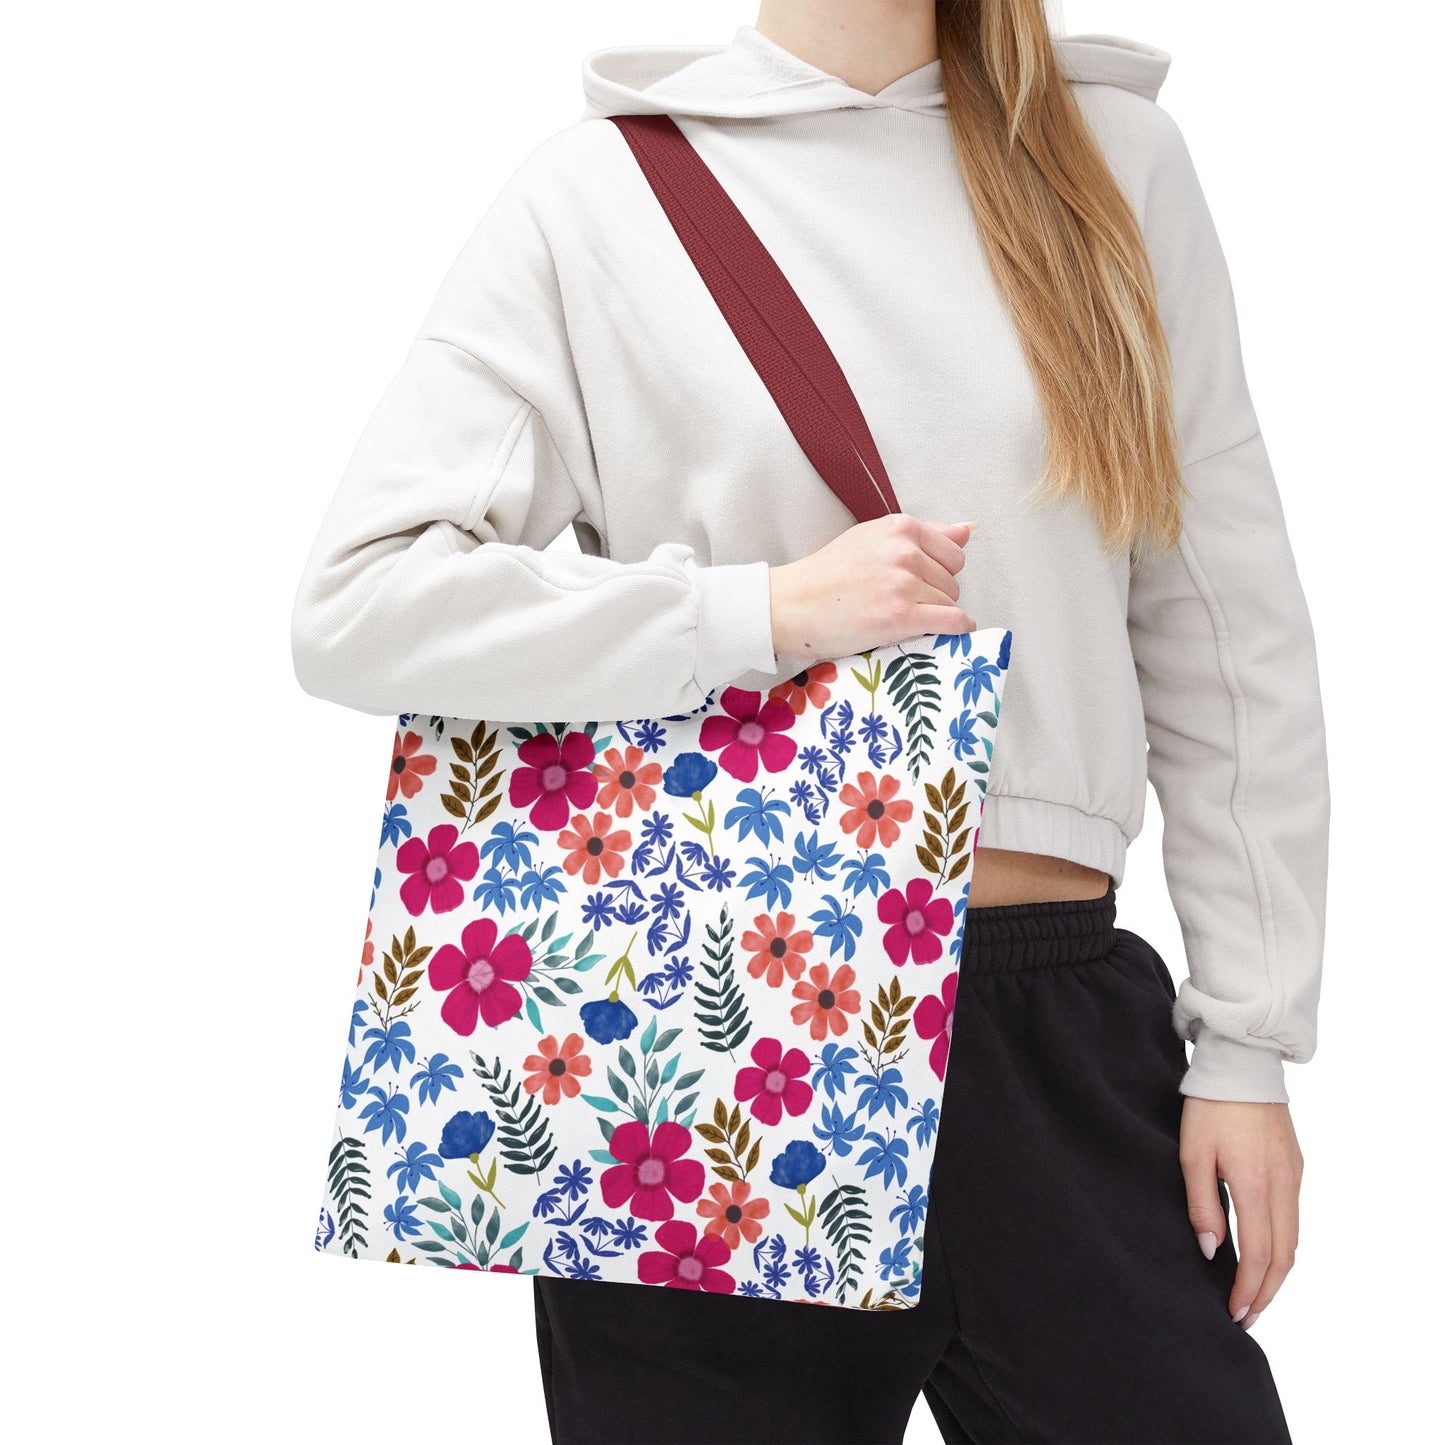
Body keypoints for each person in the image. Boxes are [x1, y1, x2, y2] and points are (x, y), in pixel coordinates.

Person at [289, 2, 1328, 1440]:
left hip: (1048, 1016)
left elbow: (1224, 629)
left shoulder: (1108, 158)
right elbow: (360, 602)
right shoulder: (596, 195)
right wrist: (758, 612)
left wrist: (1246, 1045)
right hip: (719, 1038)